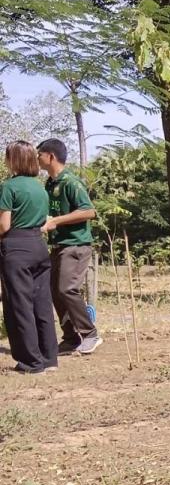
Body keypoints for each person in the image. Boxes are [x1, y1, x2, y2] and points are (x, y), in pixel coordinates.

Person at [36, 138, 101, 356]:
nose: (37, 159)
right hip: (58, 245)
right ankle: (71, 338)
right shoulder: (50, 183)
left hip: (75, 245)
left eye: (40, 155)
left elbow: (89, 211)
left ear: (50, 157)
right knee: (55, 291)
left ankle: (90, 334)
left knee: (66, 289)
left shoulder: (71, 182)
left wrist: (56, 221)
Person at [0, 141, 59, 373]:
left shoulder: (8, 187)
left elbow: (4, 225)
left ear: (13, 159)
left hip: (16, 248)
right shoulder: (39, 187)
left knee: (19, 305)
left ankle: (30, 362)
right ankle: (49, 357)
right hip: (38, 246)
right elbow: (44, 220)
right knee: (42, 303)